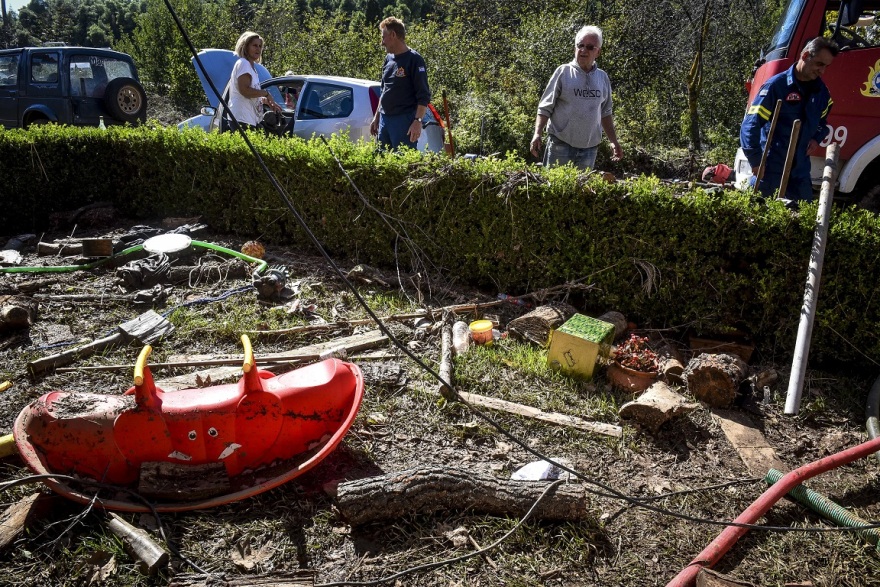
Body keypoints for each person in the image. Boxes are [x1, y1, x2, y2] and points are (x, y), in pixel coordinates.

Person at [740, 37, 838, 204]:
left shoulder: (822, 92)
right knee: (757, 213)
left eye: (826, 66)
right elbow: (750, 125)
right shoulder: (776, 86)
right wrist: (756, 161)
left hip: (800, 171)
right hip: (770, 168)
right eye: (819, 64)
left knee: (802, 216)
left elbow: (823, 123)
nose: (822, 71)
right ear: (805, 55)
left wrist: (816, 138)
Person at [530, 25, 623, 170]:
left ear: (598, 52)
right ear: (575, 48)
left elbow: (605, 112)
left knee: (582, 185)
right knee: (554, 184)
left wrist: (613, 141)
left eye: (590, 47)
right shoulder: (563, 72)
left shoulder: (602, 77)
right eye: (580, 45)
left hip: (589, 149)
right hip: (560, 144)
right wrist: (537, 133)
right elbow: (545, 107)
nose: (584, 50)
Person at [369, 17, 431, 150]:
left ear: (393, 35)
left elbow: (423, 95)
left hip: (403, 121)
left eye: (383, 37)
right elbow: (384, 90)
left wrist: (418, 121)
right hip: (384, 120)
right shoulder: (388, 59)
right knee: (382, 159)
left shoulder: (414, 60)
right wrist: (377, 117)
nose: (382, 42)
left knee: (403, 160)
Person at [227, 31, 281, 132]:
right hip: (242, 118)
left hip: (248, 119)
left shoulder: (251, 67)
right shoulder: (244, 64)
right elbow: (245, 91)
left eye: (260, 46)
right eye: (255, 45)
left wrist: (265, 101)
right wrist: (266, 94)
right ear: (245, 47)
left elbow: (250, 94)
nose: (258, 49)